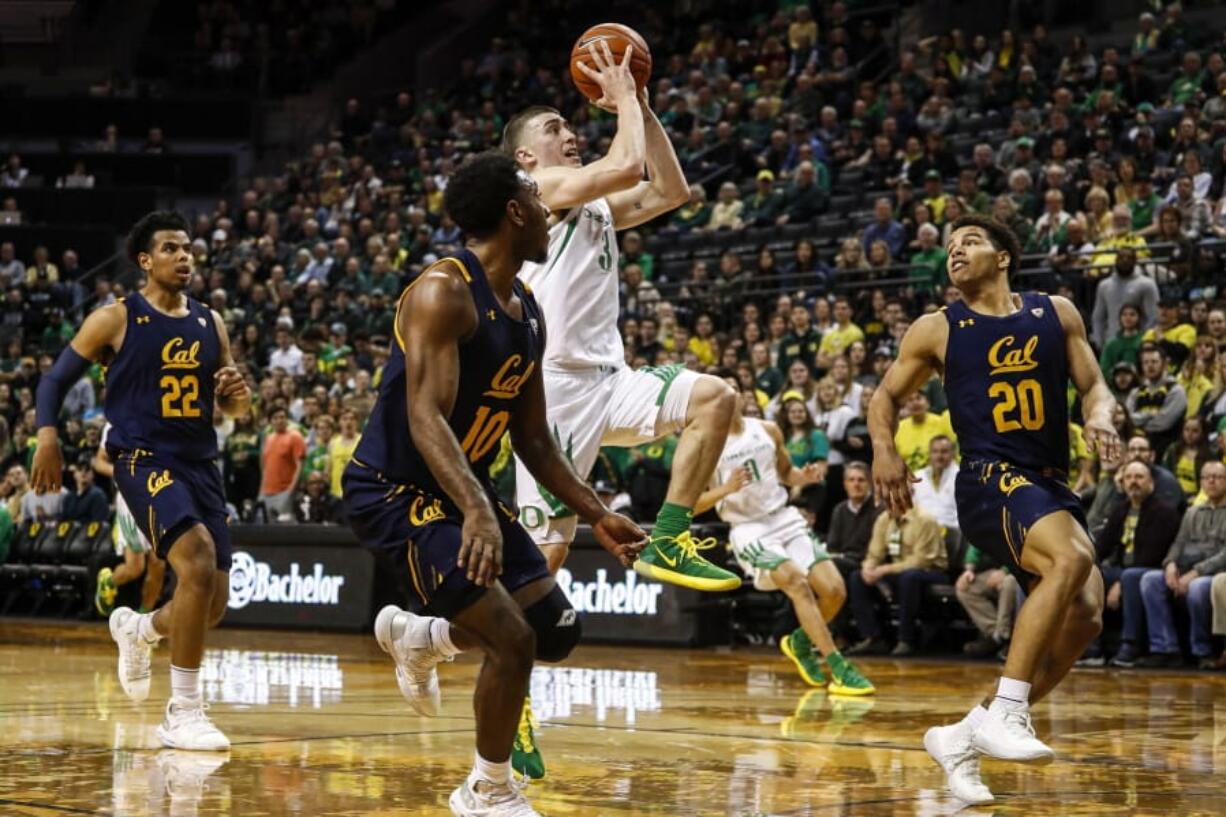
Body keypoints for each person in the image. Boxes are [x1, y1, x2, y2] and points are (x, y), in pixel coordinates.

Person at [341, 152, 646, 816]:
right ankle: (486, 789)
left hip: (463, 490)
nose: (547, 210)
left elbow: (533, 438)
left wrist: (597, 512)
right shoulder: (442, 292)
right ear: (514, 212)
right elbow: (425, 417)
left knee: (555, 629)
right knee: (512, 640)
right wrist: (478, 508)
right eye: (539, 198)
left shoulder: (528, 308)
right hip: (395, 490)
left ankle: (421, 637)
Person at [869, 213, 1119, 805]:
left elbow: (1094, 384)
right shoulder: (938, 327)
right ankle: (1008, 710)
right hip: (988, 478)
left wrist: (1100, 414)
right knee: (1072, 559)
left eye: (970, 243)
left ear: (1003, 257)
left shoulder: (1055, 312)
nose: (955, 253)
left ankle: (962, 736)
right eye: (949, 248)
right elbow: (883, 395)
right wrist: (883, 448)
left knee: (1086, 618)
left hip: (1049, 483)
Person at [505, 43, 739, 591]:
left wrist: (646, 110)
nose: (569, 133)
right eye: (553, 128)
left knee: (716, 397)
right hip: (554, 391)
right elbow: (627, 164)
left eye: (569, 125)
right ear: (525, 157)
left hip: (611, 380)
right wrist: (626, 97)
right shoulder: (537, 191)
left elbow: (670, 189)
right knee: (544, 565)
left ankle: (669, 539)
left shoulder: (594, 203)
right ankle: (435, 638)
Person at [31, 210, 252, 750]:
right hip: (143, 458)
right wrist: (46, 436)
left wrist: (236, 395)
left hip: (201, 462)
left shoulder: (211, 322)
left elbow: (231, 407)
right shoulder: (116, 318)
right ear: (145, 261)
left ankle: (140, 629)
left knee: (214, 602)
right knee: (195, 560)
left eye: (190, 249)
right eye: (172, 248)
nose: (185, 257)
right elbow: (55, 380)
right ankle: (184, 710)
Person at [694, 386, 874, 694]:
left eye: (733, 389)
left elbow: (786, 472)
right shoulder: (708, 445)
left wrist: (803, 477)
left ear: (740, 397)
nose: (728, 395)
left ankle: (800, 641)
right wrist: (726, 489)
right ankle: (839, 667)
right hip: (748, 528)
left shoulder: (768, 429)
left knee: (834, 591)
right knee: (797, 584)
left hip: (783, 517)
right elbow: (693, 502)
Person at [1137, 461, 1226, 669]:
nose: (1212, 481)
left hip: (1215, 573)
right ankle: (1165, 648)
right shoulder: (1192, 511)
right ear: (1201, 482)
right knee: (1150, 580)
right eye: (1207, 477)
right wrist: (1170, 564)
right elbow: (1178, 543)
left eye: (1218, 477)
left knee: (1198, 588)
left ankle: (1202, 651)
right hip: (1187, 569)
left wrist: (1196, 572)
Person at [93, 423, 167, 616]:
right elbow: (98, 462)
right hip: (130, 499)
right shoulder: (115, 423)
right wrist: (120, 472)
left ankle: (144, 622)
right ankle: (109, 581)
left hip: (159, 494)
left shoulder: (162, 417)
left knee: (158, 564)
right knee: (135, 568)